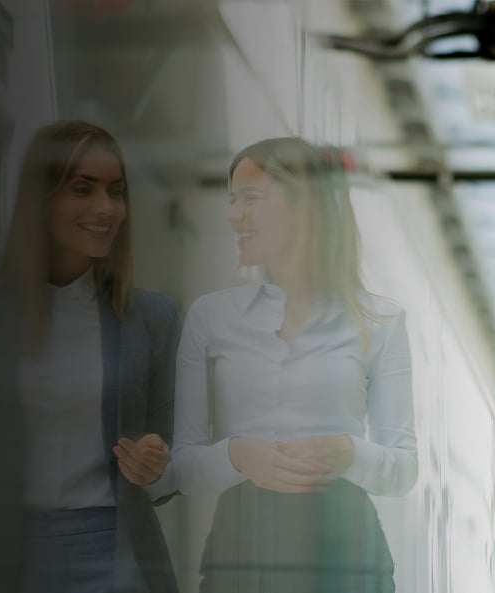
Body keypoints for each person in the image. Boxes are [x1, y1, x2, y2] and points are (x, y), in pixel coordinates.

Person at [0, 120, 181, 593]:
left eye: (116, 192)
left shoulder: (153, 319)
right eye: (83, 189)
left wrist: (156, 464)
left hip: (117, 553)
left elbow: (172, 465)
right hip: (7, 552)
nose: (106, 208)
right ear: (41, 198)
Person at [171, 137, 417, 593]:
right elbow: (181, 467)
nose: (234, 216)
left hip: (347, 550)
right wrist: (236, 454)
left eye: (250, 199)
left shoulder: (380, 321)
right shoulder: (210, 317)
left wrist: (346, 451)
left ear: (304, 207)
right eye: (231, 201)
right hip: (241, 548)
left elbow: (403, 469)